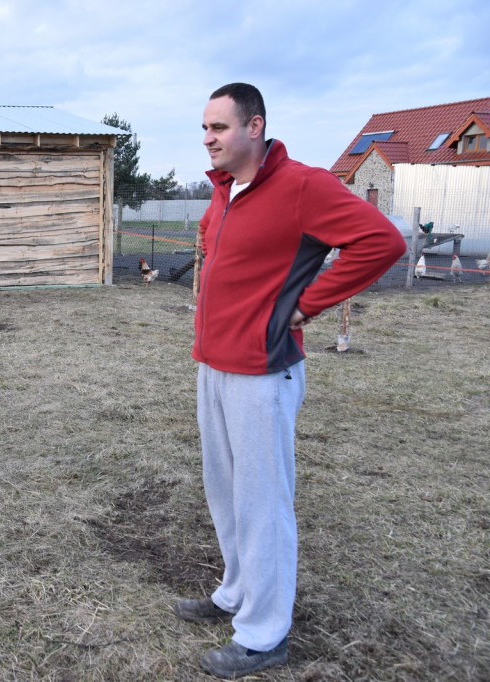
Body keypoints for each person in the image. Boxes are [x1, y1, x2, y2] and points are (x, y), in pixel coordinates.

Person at [174, 83, 406, 678]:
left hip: (263, 370)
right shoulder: (226, 190)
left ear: (255, 127)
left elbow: (381, 241)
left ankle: (264, 635)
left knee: (263, 502)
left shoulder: (303, 185)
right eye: (205, 128)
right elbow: (219, 251)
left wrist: (308, 304)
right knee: (225, 492)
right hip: (216, 363)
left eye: (219, 128)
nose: (208, 139)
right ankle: (234, 594)